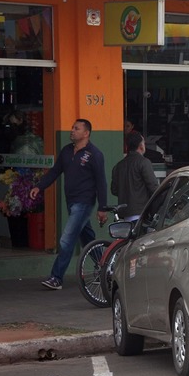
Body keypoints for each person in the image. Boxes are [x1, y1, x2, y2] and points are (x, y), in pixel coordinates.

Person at [29, 119, 108, 290]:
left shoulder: (95, 154)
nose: (72, 131)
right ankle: (106, 268)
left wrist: (103, 207)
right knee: (87, 237)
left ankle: (56, 277)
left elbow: (101, 182)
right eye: (72, 128)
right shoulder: (66, 151)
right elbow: (55, 171)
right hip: (71, 201)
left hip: (85, 202)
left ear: (86, 133)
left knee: (67, 239)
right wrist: (39, 187)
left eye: (76, 128)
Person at [111, 131, 159, 222]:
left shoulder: (118, 166)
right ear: (141, 146)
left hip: (123, 214)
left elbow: (114, 190)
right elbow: (153, 187)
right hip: (140, 213)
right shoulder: (144, 162)